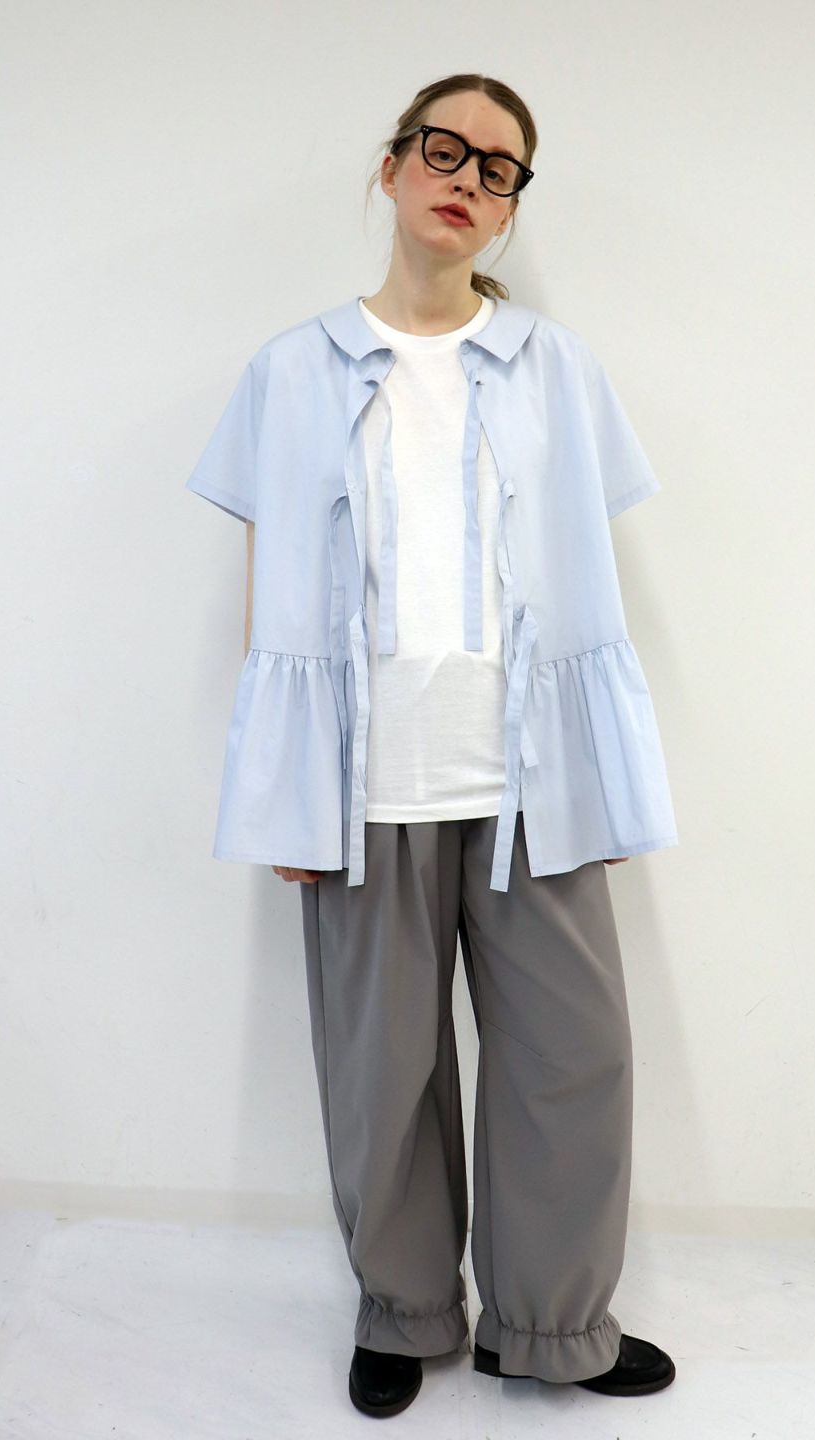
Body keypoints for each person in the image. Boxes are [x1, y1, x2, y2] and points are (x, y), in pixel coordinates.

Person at [187, 72, 678, 1418]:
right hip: (364, 787)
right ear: (393, 166)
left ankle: (551, 1325)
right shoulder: (290, 372)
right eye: (445, 148)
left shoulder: (559, 371)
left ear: (511, 209)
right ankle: (405, 1314)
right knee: (381, 1075)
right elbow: (270, 587)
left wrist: (604, 782)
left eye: (498, 167)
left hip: (533, 786)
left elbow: (586, 585)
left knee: (574, 1060)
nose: (467, 177)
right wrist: (284, 793)